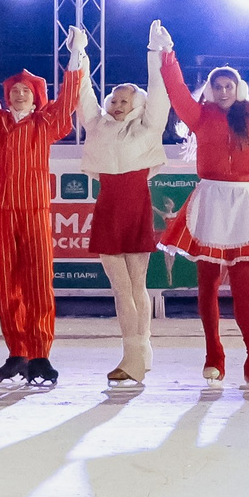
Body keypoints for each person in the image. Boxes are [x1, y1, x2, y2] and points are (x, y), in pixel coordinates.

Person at [155, 0, 249, 389]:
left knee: (242, 287)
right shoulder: (200, 115)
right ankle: (213, 354)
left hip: (240, 202)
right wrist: (168, 54)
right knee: (206, 284)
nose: (222, 90)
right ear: (210, 89)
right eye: (217, 85)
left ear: (237, 89)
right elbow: (176, 94)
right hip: (209, 201)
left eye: (228, 85)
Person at [0, 24, 88, 387]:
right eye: (14, 91)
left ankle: (41, 354)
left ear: (36, 97)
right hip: (1, 209)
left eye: (26, 91)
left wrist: (76, 54)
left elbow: (70, 98)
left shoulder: (47, 124)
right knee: (8, 283)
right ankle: (17, 352)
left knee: (40, 282)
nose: (19, 95)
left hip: (35, 210)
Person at [79, 28, 174, 386]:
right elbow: (82, 91)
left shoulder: (148, 127)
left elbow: (160, 91)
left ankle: (136, 354)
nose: (117, 106)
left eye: (124, 101)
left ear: (137, 105)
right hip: (108, 207)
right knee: (123, 287)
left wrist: (154, 51)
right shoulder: (97, 125)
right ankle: (137, 352)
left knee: (137, 286)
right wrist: (80, 54)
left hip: (135, 206)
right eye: (114, 100)